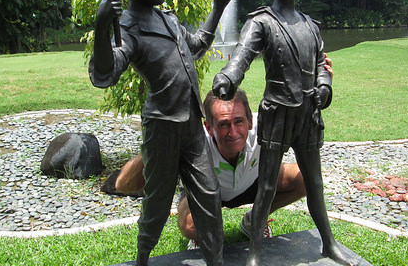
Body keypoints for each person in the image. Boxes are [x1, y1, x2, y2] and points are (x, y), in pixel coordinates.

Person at [89, 0, 251, 266]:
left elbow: (197, 46)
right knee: (158, 202)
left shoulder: (167, 19)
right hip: (161, 129)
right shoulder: (128, 28)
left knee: (208, 196)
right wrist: (101, 26)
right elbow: (104, 74)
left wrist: (218, 9)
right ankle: (142, 262)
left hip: (191, 127)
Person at [212, 0, 358, 266]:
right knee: (266, 188)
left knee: (315, 183)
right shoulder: (261, 21)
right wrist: (228, 78)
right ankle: (254, 253)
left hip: (307, 115)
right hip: (277, 114)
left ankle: (328, 243)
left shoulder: (311, 26)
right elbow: (242, 56)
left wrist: (325, 85)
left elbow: (321, 63)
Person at [113, 83, 331, 246]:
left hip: (253, 181)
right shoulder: (192, 142)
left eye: (239, 122)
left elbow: (302, 113)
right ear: (208, 127)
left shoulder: (266, 128)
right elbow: (124, 184)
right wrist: (157, 144)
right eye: (223, 124)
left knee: (306, 179)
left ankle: (254, 220)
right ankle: (202, 235)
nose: (233, 132)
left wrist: (321, 82)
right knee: (190, 225)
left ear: (251, 120)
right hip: (206, 193)